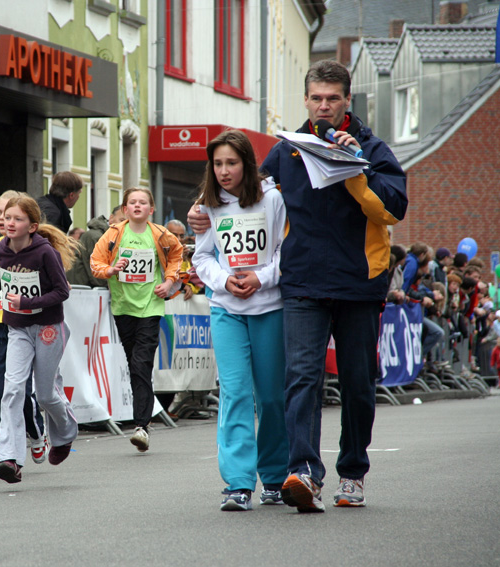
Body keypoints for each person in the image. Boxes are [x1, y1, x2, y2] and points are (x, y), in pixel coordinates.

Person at [189, 60, 407, 511]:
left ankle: (352, 472)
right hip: (303, 282)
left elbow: (393, 210)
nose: (323, 106)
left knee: (357, 384)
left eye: (332, 98)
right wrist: (201, 214)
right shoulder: (289, 148)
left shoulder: (370, 148)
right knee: (301, 378)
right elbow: (243, 194)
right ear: (305, 100)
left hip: (358, 283)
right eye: (316, 98)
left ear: (348, 99)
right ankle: (304, 472)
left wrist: (355, 170)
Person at [191, 129, 289, 511]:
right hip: (226, 309)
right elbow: (202, 257)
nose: (224, 171)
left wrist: (261, 278)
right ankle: (237, 483)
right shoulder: (207, 205)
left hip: (270, 307)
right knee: (234, 393)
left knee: (270, 397)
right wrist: (226, 281)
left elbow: (285, 251)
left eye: (231, 163)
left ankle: (276, 478)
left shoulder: (273, 199)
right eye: (217, 164)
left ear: (247, 164)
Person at [0, 194, 79, 483]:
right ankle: (8, 458)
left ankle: (64, 435)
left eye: (17, 219)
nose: (9, 223)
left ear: (32, 226)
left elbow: (62, 292)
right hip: (18, 328)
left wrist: (26, 302)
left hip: (48, 327)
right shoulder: (1, 249)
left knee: (46, 393)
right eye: (7, 218)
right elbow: (4, 273)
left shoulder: (45, 253)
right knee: (12, 389)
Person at [90, 187, 183, 452]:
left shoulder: (162, 235)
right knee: (135, 364)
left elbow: (177, 257)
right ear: (125, 209)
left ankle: (141, 426)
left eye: (143, 202)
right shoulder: (114, 234)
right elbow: (95, 261)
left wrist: (169, 282)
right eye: (133, 202)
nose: (138, 206)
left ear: (151, 209)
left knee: (141, 363)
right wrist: (111, 269)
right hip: (123, 307)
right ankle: (143, 418)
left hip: (151, 307)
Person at [0, 190, 47, 468]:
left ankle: (37, 435)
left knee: (20, 390)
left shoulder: (36, 248)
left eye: (13, 215)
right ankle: (3, 453)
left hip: (26, 325)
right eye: (2, 214)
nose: (6, 220)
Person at [66, 215, 110, 288]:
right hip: (83, 288)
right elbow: (95, 268)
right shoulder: (96, 236)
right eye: (121, 220)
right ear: (111, 218)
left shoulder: (97, 235)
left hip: (81, 285)